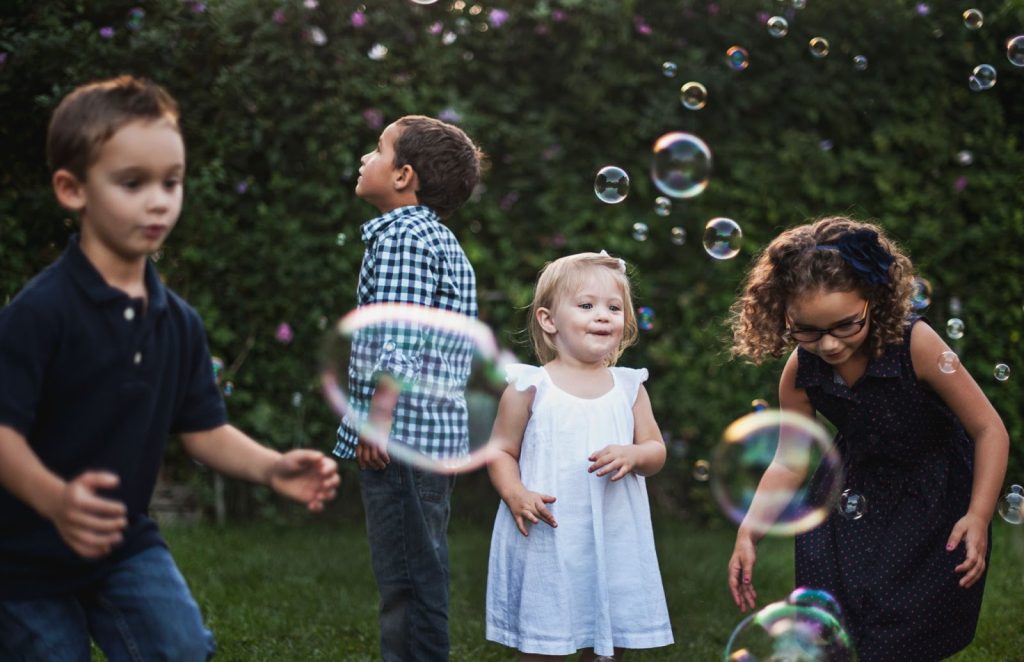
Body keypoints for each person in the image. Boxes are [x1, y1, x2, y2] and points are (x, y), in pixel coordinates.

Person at [0, 75, 340, 661]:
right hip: (24, 556)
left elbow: (203, 431)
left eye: (171, 182)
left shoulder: (177, 322)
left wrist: (272, 467)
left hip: (123, 545)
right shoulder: (41, 313)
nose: (159, 199)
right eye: (132, 183)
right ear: (72, 188)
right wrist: (57, 499)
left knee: (180, 648)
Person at [726, 216, 1009, 660]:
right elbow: (788, 460)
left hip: (930, 492)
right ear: (784, 315)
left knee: (905, 619)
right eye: (808, 330)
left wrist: (978, 514)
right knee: (839, 617)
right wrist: (750, 531)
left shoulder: (915, 344)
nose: (830, 345)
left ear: (873, 301)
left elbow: (988, 428)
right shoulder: (801, 371)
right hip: (851, 492)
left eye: (845, 325)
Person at [333, 115, 484, 660]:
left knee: (408, 582)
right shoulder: (436, 238)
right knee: (421, 569)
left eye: (376, 150)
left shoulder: (402, 237)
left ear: (403, 176)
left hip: (403, 439)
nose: (364, 159)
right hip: (428, 439)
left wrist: (379, 416)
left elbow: (398, 334)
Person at [485, 252, 674, 661]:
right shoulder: (530, 386)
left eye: (613, 307)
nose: (602, 315)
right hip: (549, 534)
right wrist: (515, 492)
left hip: (613, 532)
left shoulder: (628, 387)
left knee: (611, 635)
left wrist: (634, 454)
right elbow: (501, 449)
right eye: (586, 305)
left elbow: (656, 450)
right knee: (544, 638)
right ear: (548, 320)